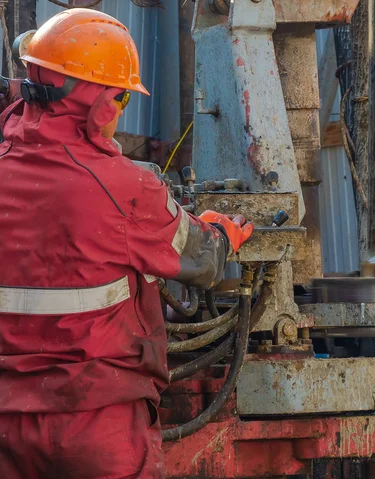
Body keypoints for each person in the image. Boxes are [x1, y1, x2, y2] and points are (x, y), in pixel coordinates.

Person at [0, 8, 253, 479]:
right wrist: (224, 233)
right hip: (96, 422)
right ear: (101, 105)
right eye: (121, 100)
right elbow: (202, 260)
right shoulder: (124, 188)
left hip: (8, 428)